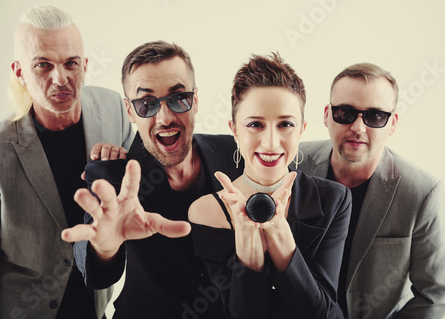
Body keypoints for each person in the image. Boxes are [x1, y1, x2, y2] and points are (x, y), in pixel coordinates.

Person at [0, 5, 134, 319]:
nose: (60, 78)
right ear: (20, 72)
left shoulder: (113, 108)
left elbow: (139, 189)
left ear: (85, 65)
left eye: (70, 63)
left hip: (96, 310)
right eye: (43, 65)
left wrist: (121, 167)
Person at [61, 41, 243, 318]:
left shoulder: (234, 153)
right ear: (130, 111)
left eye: (178, 97)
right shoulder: (113, 175)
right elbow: (96, 274)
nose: (165, 117)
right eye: (146, 104)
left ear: (195, 100)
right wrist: (105, 247)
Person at [188, 53, 351, 318]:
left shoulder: (334, 199)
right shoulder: (206, 211)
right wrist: (247, 241)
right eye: (255, 124)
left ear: (301, 130)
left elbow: (325, 314)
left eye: (286, 124)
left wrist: (278, 234)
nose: (271, 142)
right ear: (235, 130)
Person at [296, 63, 445, 318]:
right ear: (326, 115)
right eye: (345, 112)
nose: (358, 127)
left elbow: (435, 297)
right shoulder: (292, 164)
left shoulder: (422, 193)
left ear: (393, 123)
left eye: (375, 116)